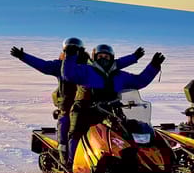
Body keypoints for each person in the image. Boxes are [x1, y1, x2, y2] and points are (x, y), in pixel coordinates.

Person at [10, 38, 144, 166]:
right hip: (68, 103)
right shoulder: (60, 65)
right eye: (71, 48)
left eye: (77, 48)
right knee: (66, 125)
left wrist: (134, 57)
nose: (75, 50)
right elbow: (43, 66)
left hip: (90, 103)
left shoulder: (90, 64)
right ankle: (66, 156)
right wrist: (23, 56)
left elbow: (114, 64)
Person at [60, 44, 165, 165]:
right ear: (94, 57)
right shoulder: (86, 70)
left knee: (126, 131)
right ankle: (74, 163)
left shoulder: (119, 75)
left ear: (112, 58)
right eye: (100, 56)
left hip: (111, 110)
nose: (103, 59)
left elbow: (139, 81)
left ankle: (133, 161)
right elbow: (68, 75)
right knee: (77, 132)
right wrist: (70, 56)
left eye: (106, 56)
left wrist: (154, 66)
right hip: (85, 108)